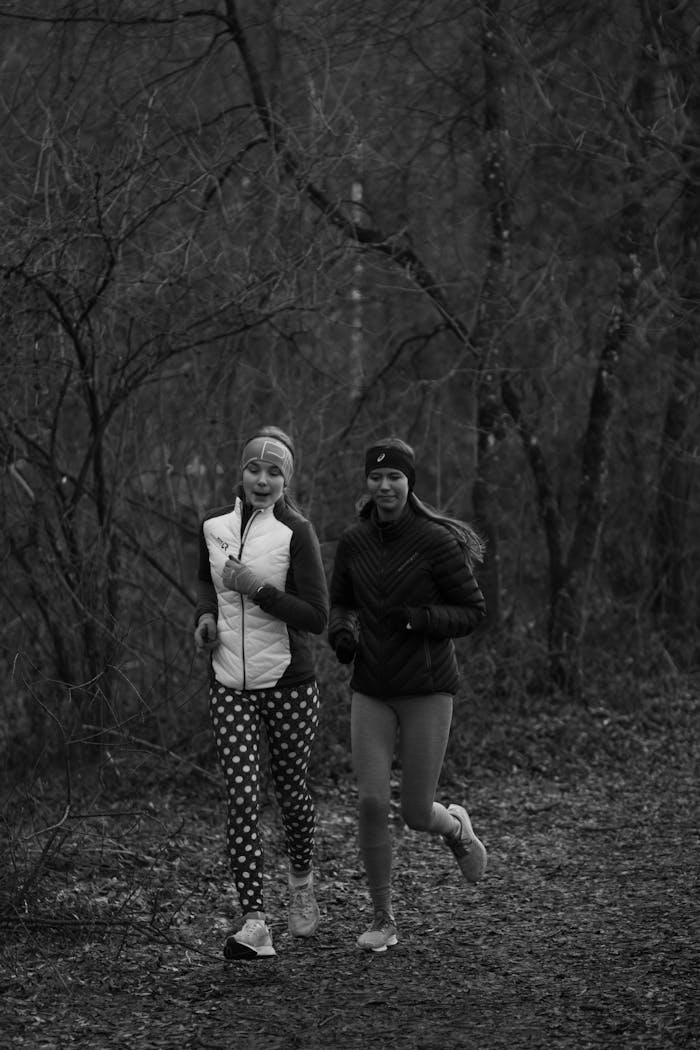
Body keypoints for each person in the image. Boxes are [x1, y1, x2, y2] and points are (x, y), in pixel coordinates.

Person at [328, 436, 487, 952]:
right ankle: (383, 918)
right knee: (372, 802)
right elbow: (341, 605)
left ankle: (456, 827)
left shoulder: (435, 542)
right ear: (366, 484)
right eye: (375, 477)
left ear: (408, 482)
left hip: (426, 688)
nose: (384, 486)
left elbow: (473, 612)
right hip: (371, 688)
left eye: (394, 477)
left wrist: (421, 619)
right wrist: (343, 634)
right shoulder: (354, 542)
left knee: (416, 813)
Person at [194, 426, 328, 960]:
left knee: (292, 792)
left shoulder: (298, 533)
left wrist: (260, 589)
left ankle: (300, 883)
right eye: (255, 468)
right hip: (229, 683)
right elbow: (205, 581)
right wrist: (204, 614)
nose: (263, 479)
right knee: (243, 798)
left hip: (289, 684)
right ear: (241, 471)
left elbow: (316, 615)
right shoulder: (212, 526)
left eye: (275, 472)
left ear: (286, 480)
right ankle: (254, 921)